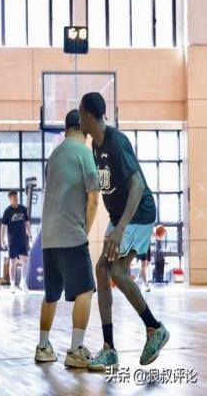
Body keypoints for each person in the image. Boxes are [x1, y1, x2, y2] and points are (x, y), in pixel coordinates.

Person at [79, 92, 170, 370]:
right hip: (120, 217)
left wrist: (119, 230)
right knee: (102, 270)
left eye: (80, 114)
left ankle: (155, 328)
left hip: (138, 214)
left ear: (88, 116)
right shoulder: (95, 146)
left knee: (117, 271)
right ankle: (109, 349)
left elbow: (137, 186)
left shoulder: (117, 143)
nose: (79, 119)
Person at [34, 110, 99, 368]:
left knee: (51, 294)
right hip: (72, 234)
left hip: (48, 237)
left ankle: (42, 347)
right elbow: (93, 199)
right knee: (86, 290)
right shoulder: (84, 154)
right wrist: (85, 231)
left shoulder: (54, 156)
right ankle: (75, 351)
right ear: (83, 127)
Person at [1, 190, 32, 293]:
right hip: (12, 241)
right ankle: (12, 284)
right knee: (12, 262)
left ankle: (23, 282)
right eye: (13, 198)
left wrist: (30, 235)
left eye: (16, 197)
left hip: (23, 240)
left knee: (25, 261)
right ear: (10, 199)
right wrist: (2, 240)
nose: (16, 199)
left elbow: (27, 223)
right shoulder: (7, 212)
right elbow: (3, 227)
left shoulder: (23, 209)